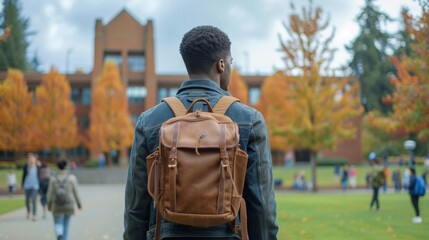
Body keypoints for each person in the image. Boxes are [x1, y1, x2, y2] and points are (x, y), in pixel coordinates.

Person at [124, 25, 278, 240]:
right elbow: (262, 207)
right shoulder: (249, 120)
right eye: (231, 62)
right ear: (221, 65)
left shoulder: (148, 121)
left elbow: (135, 207)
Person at [47, 160, 82, 240]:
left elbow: (49, 194)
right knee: (66, 225)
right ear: (66, 167)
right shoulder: (71, 178)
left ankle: (59, 233)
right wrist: (79, 204)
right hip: (68, 204)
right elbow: (76, 193)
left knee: (57, 222)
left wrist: (49, 205)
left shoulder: (53, 179)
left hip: (56, 205)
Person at [22, 152, 40, 221]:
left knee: (34, 200)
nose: (31, 159)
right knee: (27, 200)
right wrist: (22, 184)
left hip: (35, 185)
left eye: (32, 158)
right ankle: (28, 212)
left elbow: (40, 176)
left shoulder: (37, 167)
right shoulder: (26, 166)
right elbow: (23, 176)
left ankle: (34, 214)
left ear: (35, 159)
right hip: (27, 185)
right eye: (29, 158)